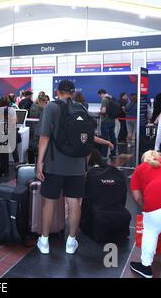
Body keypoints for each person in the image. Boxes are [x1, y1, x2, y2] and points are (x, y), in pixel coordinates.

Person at [36, 80, 88, 256]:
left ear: (57, 92)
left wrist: (39, 163)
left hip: (54, 164)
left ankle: (44, 241)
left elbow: (44, 137)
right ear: (72, 93)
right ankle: (71, 241)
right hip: (77, 165)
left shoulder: (51, 107)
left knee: (49, 202)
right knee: (74, 203)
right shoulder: (82, 107)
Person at [98, 89, 118, 159]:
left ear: (101, 94)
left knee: (105, 138)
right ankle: (113, 154)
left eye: (99, 96)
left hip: (105, 121)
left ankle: (104, 155)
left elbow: (103, 111)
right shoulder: (111, 98)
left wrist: (99, 112)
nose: (100, 97)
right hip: (112, 121)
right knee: (113, 137)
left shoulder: (104, 99)